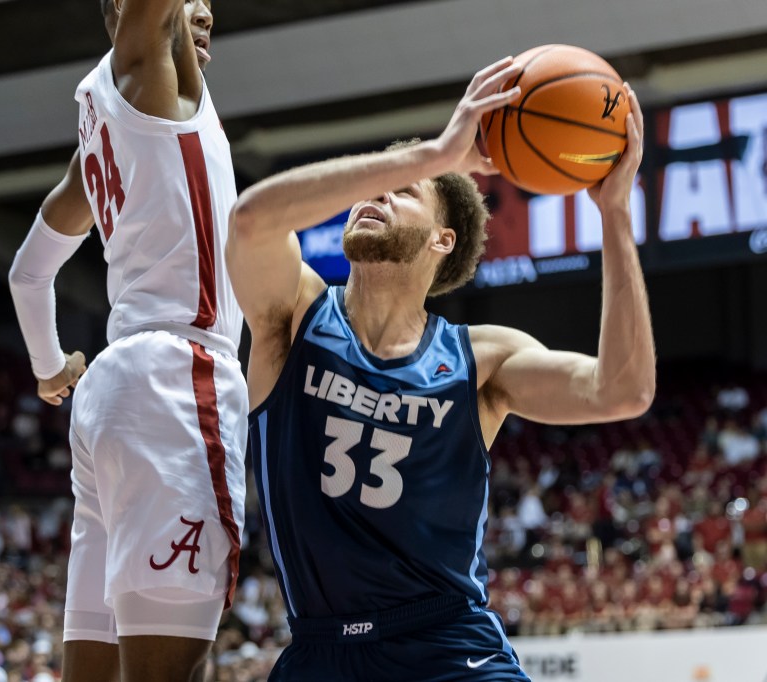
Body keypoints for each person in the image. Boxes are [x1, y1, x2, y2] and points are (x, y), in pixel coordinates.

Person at [226, 57, 655, 681]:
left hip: (450, 646)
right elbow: (249, 221)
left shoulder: (481, 359)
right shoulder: (293, 318)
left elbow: (623, 390)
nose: (377, 193)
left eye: (405, 192)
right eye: (375, 185)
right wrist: (431, 155)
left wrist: (615, 213)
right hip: (320, 651)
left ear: (442, 240)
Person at [7, 1, 246, 681]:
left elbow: (28, 273)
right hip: (175, 380)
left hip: (112, 401)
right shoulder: (141, 71)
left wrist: (51, 368)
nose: (206, 12)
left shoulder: (102, 131)